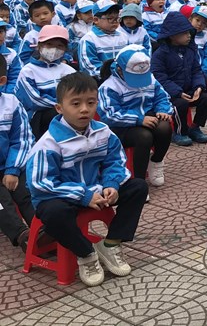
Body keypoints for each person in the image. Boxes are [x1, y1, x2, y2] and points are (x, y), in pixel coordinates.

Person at [25, 72, 148, 287]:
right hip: (62, 197)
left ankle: (110, 244)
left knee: (138, 187)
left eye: (90, 103)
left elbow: (115, 161)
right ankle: (86, 254)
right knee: (52, 213)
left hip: (97, 190)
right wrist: (83, 195)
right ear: (59, 108)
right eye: (76, 104)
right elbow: (40, 183)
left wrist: (111, 185)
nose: (84, 109)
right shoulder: (50, 143)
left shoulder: (103, 132)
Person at [97, 46, 173, 187]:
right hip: (121, 127)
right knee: (144, 137)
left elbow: (162, 97)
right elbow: (109, 115)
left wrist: (163, 110)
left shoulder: (151, 78)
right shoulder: (109, 87)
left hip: (147, 118)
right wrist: (138, 119)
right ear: (120, 69)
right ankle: (139, 182)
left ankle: (156, 161)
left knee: (164, 127)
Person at [150, 12, 207, 147]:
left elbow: (196, 70)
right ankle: (179, 132)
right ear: (172, 35)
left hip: (188, 89)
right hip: (170, 93)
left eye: (189, 32)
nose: (189, 35)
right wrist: (177, 92)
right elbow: (160, 78)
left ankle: (195, 127)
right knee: (180, 104)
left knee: (206, 98)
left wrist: (198, 87)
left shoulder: (189, 50)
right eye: (185, 33)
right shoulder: (160, 54)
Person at [0, 56, 37, 251]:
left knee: (25, 192)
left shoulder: (11, 103)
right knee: (2, 202)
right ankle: (22, 234)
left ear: (2, 81)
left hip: (10, 163)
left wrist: (12, 169)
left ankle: (43, 230)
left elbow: (23, 139)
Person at [15, 25, 78, 139]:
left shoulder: (69, 70)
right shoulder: (28, 71)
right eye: (49, 44)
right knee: (57, 114)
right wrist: (63, 106)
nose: (54, 49)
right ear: (39, 46)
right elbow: (34, 100)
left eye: (59, 46)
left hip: (67, 111)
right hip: (38, 117)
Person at [79, 0, 128, 82]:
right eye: (110, 18)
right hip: (100, 81)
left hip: (124, 79)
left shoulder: (123, 36)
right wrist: (114, 74)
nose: (115, 22)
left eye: (117, 18)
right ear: (96, 20)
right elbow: (91, 67)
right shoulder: (89, 39)